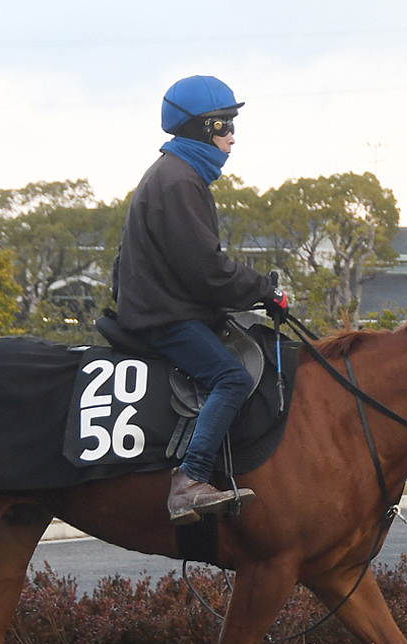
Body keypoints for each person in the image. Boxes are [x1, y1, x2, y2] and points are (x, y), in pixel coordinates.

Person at [116, 74, 288, 526]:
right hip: (164, 317)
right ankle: (189, 481)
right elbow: (207, 271)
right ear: (203, 128)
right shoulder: (178, 182)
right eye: (226, 125)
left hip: (168, 305)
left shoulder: (178, 174)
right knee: (231, 378)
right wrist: (264, 290)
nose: (233, 137)